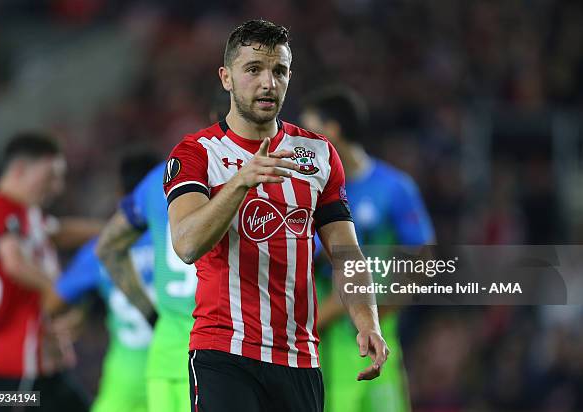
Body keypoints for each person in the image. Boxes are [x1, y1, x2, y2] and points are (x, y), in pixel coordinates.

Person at [163, 19, 389, 412]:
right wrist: (240, 182)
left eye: (279, 71)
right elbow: (186, 244)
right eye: (254, 69)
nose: (268, 83)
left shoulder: (317, 153)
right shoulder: (196, 153)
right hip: (224, 352)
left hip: (299, 359)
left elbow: (346, 253)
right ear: (226, 78)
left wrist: (367, 321)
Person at [301, 87, 435, 412]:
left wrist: (384, 309)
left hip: (379, 340)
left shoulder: (394, 188)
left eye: (310, 130)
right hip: (328, 348)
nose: (302, 141)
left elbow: (423, 258)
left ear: (331, 130)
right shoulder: (314, 192)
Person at [0, 132, 101, 411]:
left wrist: (113, 228)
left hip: (43, 362)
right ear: (19, 170)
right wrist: (64, 294)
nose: (56, 187)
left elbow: (59, 231)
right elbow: (14, 261)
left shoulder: (27, 214)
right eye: (50, 177)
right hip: (15, 367)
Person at [43, 151, 160, 412]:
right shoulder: (179, 239)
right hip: (177, 368)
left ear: (120, 194)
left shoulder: (99, 249)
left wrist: (84, 307)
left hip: (125, 377)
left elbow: (51, 303)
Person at [95, 159, 197, 412]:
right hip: (219, 360)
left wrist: (152, 316)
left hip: (163, 360)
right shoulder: (239, 179)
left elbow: (106, 248)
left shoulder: (154, 181)